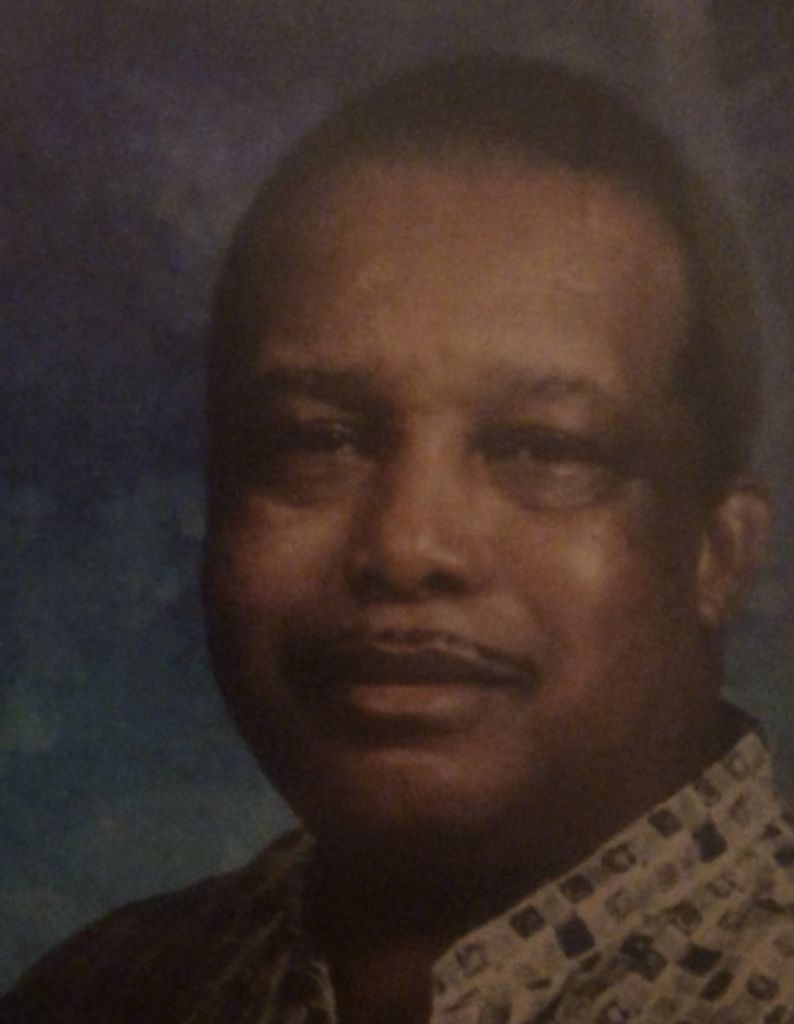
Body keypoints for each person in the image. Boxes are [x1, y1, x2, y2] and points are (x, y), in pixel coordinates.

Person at [2, 55, 791, 1024]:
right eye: (315, 440)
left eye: (542, 448)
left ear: (720, 552)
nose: (407, 544)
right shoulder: (98, 995)